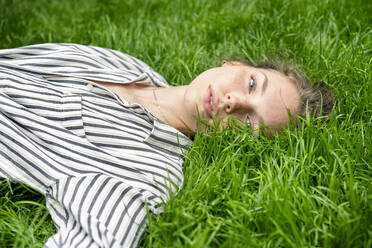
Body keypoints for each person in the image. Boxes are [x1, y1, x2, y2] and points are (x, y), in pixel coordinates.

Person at [0, 43, 333, 247]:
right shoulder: (127, 66)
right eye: (251, 84)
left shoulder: (148, 174)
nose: (234, 102)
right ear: (234, 64)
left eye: (249, 123)